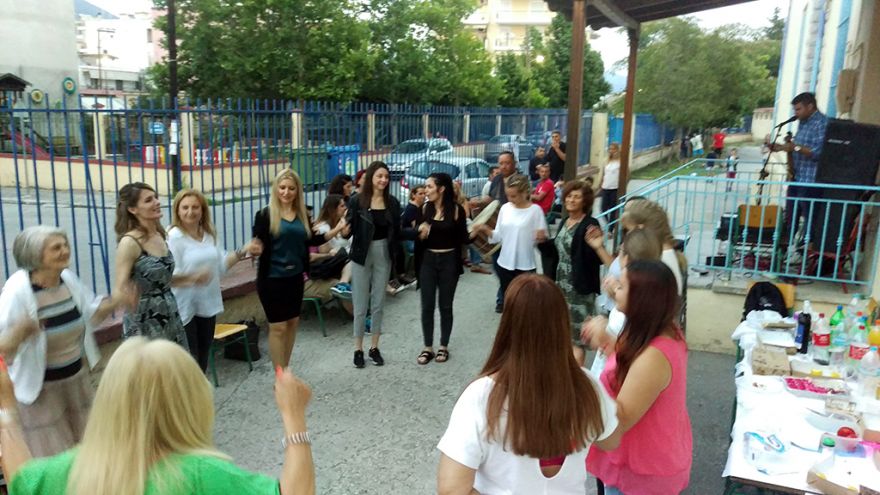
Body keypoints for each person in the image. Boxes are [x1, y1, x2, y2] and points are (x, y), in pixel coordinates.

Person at [4, 337, 317, 495]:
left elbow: (20, 478)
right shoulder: (200, 475)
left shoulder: (67, 470)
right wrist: (293, 415)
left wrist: (6, 407)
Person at [436, 274, 620, 494]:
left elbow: (451, 489)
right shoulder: (587, 386)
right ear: (562, 325)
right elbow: (611, 440)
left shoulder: (482, 396)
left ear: (508, 325)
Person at [0, 227, 129, 458]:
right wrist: (20, 332)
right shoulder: (17, 291)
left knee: (88, 449)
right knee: (54, 456)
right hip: (41, 393)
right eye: (56, 248)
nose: (65, 251)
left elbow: (90, 314)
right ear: (35, 255)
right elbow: (3, 349)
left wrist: (117, 301)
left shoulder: (67, 279)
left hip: (76, 381)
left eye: (65, 245)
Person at [584, 260, 692, 495]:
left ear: (640, 300)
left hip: (642, 472)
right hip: (638, 457)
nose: (614, 288)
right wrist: (608, 340)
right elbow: (631, 365)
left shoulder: (654, 356)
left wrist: (579, 389)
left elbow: (621, 418)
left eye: (621, 286)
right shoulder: (652, 331)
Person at [250, 169, 347, 369]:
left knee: (292, 324)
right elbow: (258, 240)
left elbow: (312, 239)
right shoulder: (264, 215)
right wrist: (255, 247)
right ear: (276, 189)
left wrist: (337, 230)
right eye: (282, 187)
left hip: (295, 277)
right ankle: (280, 375)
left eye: (291, 188)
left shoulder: (302, 214)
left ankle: (285, 369)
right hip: (271, 279)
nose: (286, 192)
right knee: (278, 327)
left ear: (297, 191)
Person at [167, 188, 257, 372]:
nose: (190, 212)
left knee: (202, 360)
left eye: (195, 207)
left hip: (207, 305)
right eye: (185, 207)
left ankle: (198, 391)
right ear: (177, 210)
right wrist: (193, 278)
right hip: (184, 308)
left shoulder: (208, 234)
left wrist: (244, 250)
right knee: (188, 363)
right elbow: (168, 278)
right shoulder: (174, 237)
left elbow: (221, 266)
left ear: (202, 210)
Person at [114, 182, 202, 348]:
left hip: (170, 314)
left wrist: (190, 278)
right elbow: (119, 288)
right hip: (144, 320)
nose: (157, 202)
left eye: (155, 198)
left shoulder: (159, 235)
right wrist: (126, 294)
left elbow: (160, 279)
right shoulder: (130, 242)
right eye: (148, 200)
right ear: (133, 209)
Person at [345, 161, 402, 368]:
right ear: (371, 177)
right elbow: (348, 229)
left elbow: (398, 232)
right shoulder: (357, 201)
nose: (383, 180)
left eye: (386, 177)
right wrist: (343, 231)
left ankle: (374, 347)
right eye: (379, 176)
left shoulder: (392, 203)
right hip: (361, 252)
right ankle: (358, 349)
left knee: (378, 302)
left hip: (383, 251)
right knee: (360, 302)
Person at [414, 173, 474, 365]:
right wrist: (420, 233)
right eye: (426, 187)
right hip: (428, 260)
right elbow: (417, 236)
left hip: (449, 260)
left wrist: (479, 230)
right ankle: (427, 347)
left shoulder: (456, 210)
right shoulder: (424, 208)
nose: (426, 191)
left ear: (441, 189)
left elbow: (464, 238)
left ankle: (443, 346)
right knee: (427, 305)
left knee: (446, 306)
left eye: (429, 187)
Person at [551, 181, 608, 366]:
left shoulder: (589, 224)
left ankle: (577, 375)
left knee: (577, 339)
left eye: (576, 197)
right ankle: (567, 372)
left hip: (579, 289)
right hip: (561, 286)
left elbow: (596, 256)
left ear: (585, 201)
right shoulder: (565, 221)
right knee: (564, 334)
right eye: (569, 196)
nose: (571, 200)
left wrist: (598, 244)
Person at [473, 174, 547, 310]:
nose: (510, 199)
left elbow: (542, 239)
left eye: (514, 196)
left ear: (525, 193)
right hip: (505, 264)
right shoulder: (505, 208)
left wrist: (541, 237)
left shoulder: (535, 211)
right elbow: (497, 237)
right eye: (508, 195)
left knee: (525, 304)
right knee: (509, 302)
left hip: (525, 265)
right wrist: (484, 228)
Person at [768, 92, 829, 243]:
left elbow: (818, 153)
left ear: (810, 106)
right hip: (797, 178)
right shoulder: (803, 122)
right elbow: (797, 147)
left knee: (810, 220)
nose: (796, 113)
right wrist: (780, 147)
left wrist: (795, 147)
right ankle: (785, 248)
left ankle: (807, 250)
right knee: (790, 218)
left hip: (811, 181)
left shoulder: (821, 123)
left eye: (798, 109)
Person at [470, 152, 518, 312]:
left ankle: (505, 299)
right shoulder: (497, 179)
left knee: (510, 267)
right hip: (496, 227)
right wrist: (478, 202)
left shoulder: (519, 180)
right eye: (501, 163)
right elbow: (492, 199)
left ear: (514, 163)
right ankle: (505, 296)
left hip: (513, 228)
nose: (503, 166)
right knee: (498, 264)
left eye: (507, 163)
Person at [596, 142, 622, 225]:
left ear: (618, 150)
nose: (611, 151)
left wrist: (622, 187)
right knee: (603, 208)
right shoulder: (606, 161)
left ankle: (611, 228)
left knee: (613, 209)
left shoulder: (621, 162)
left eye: (613, 149)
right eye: (610, 149)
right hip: (605, 187)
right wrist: (599, 186)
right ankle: (609, 224)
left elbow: (626, 175)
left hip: (615, 188)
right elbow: (603, 174)